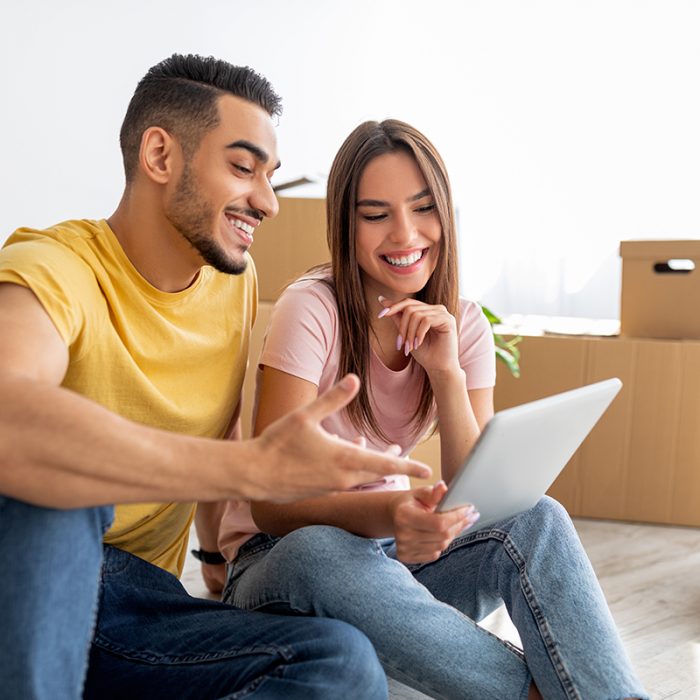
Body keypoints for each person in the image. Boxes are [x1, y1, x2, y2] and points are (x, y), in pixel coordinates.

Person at [0, 57, 432, 700]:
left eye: (270, 176)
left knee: (338, 663)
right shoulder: (52, 268)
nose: (267, 200)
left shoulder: (234, 280)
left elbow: (216, 426)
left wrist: (212, 556)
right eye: (242, 167)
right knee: (64, 489)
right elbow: (9, 416)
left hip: (132, 602)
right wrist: (253, 472)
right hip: (27, 573)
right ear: (159, 154)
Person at [216, 119, 648, 699]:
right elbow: (270, 505)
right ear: (345, 224)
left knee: (536, 518)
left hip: (394, 569)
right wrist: (396, 511)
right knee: (320, 552)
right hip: (281, 571)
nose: (405, 234)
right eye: (375, 214)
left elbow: (480, 499)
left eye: (423, 209)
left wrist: (446, 372)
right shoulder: (310, 310)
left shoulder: (463, 324)